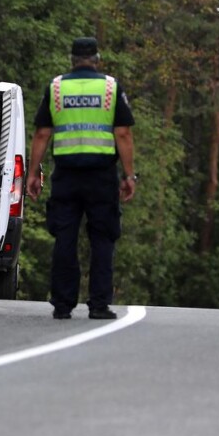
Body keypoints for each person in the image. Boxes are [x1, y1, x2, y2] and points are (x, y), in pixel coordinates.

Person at [25, 37, 137, 320]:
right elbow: (123, 134)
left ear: (72, 59)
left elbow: (42, 134)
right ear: (97, 58)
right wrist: (129, 175)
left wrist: (33, 173)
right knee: (102, 238)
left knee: (65, 236)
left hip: (67, 176)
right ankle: (99, 304)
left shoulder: (57, 88)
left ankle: (63, 303)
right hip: (102, 176)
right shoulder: (110, 88)